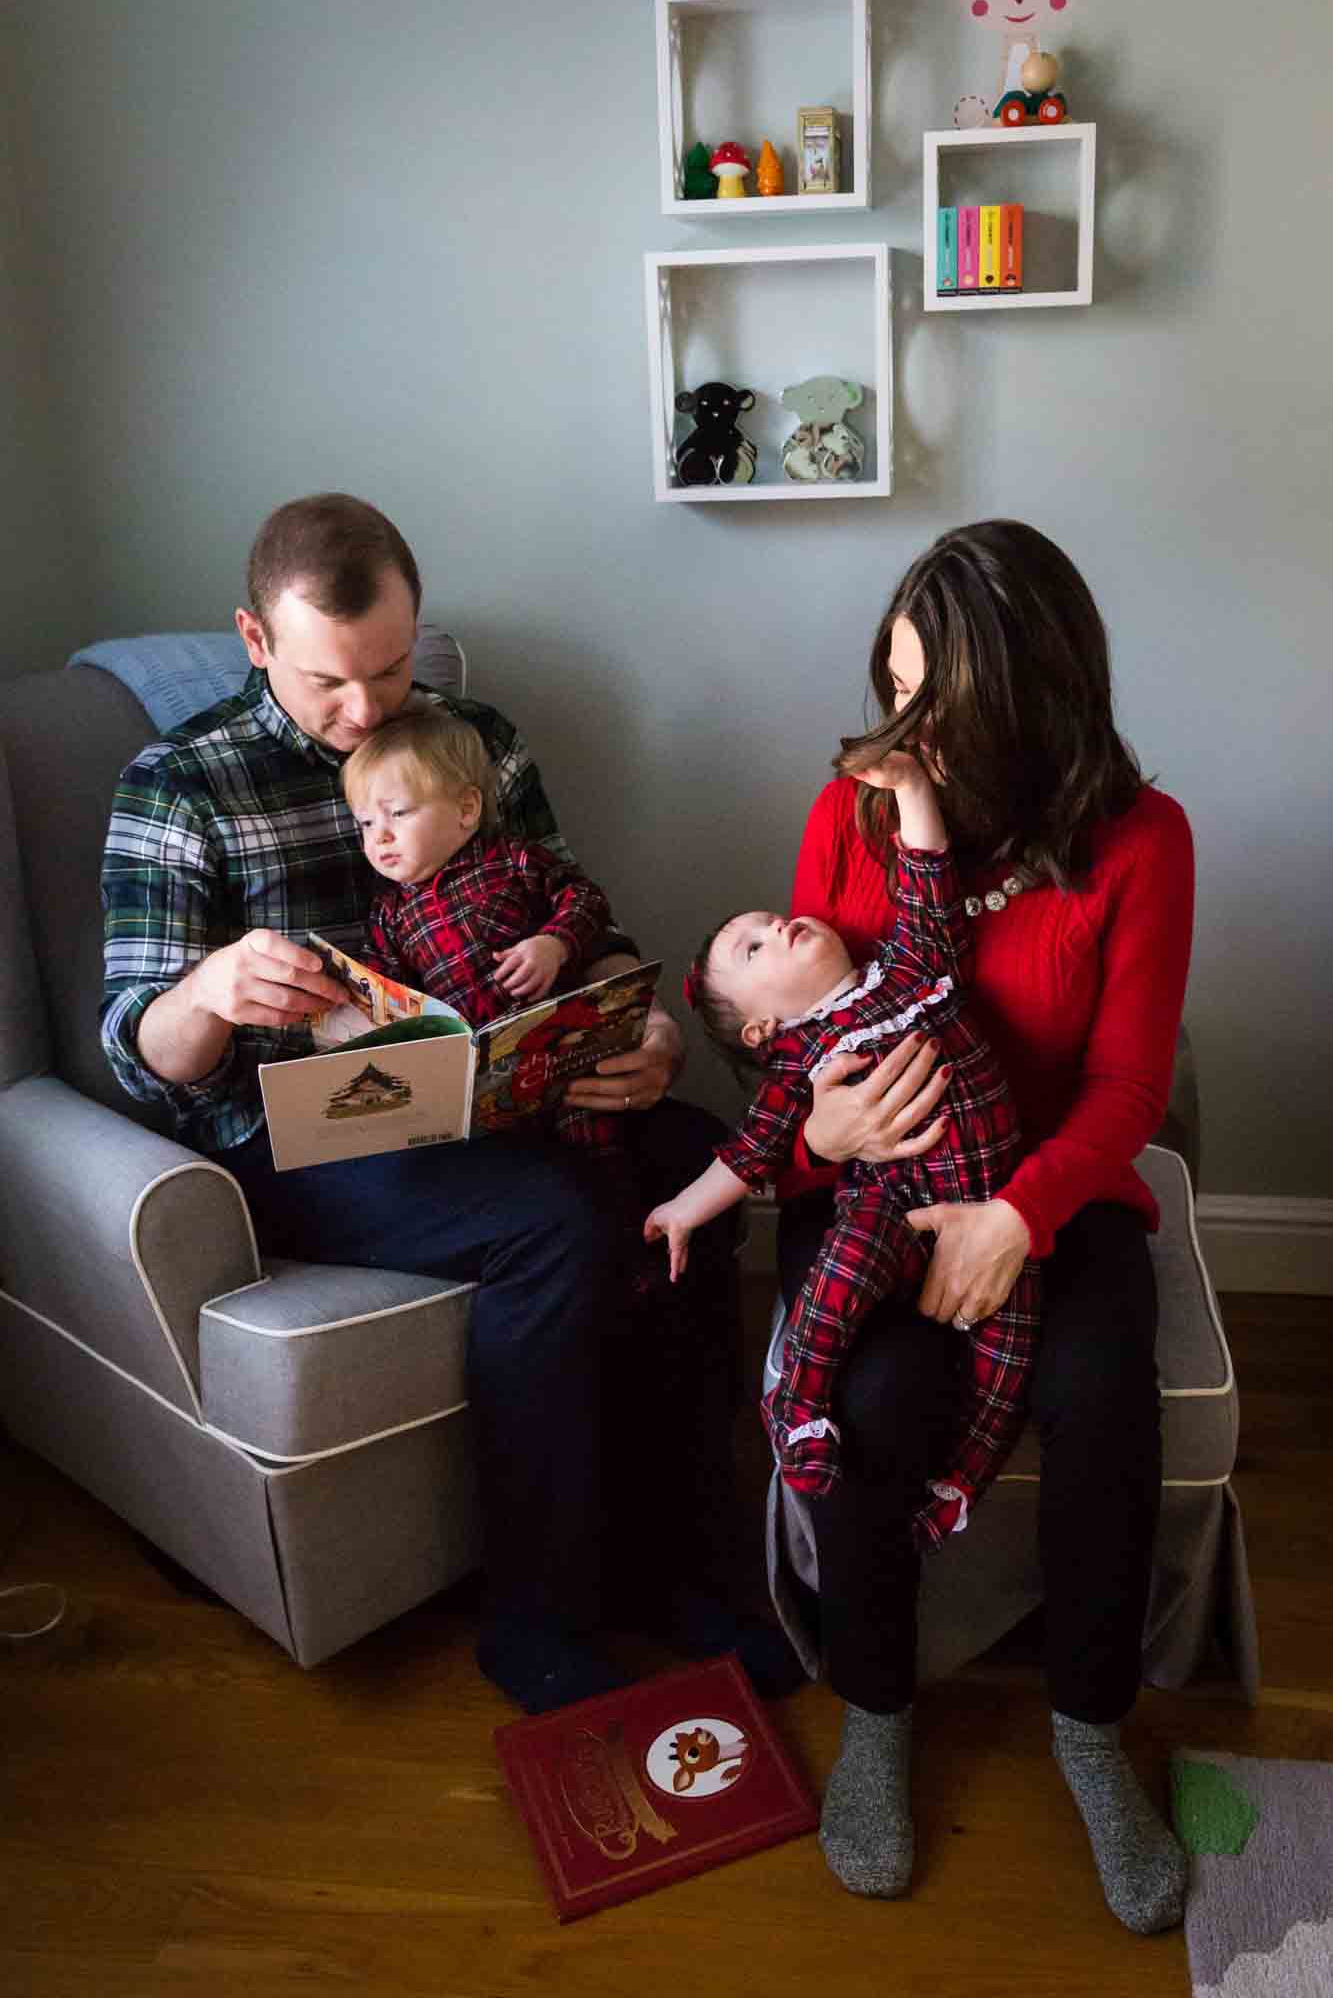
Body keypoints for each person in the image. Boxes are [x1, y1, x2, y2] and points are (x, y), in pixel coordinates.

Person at [100, 491, 800, 1713]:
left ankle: (683, 1565)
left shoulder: (474, 741)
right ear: (255, 640)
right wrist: (212, 986)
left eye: (391, 664)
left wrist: (640, 1027)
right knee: (556, 1220)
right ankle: (536, 1614)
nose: (368, 708)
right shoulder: (181, 783)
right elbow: (136, 1047)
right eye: (330, 681)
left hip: (503, 1091)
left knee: (695, 1157)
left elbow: (582, 925)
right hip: (306, 1139)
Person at [778, 519, 1192, 1933]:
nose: (905, 732)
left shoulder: (1140, 841)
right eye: (895, 687)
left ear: (1035, 701)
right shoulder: (853, 807)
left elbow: (1132, 1082)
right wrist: (821, 1132)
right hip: (871, 1193)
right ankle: (876, 1716)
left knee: (1099, 1396)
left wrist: (1016, 1216)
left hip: (1051, 1192)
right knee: (872, 1396)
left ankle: (1090, 1728)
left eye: (937, 704)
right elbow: (802, 1026)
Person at [643, 748, 1039, 1552]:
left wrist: (915, 790)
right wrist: (684, 1210)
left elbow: (924, 875)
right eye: (752, 949)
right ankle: (799, 1408)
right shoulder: (801, 1063)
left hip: (996, 1196)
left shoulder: (911, 967)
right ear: (761, 1030)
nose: (775, 925)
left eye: (767, 919)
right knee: (839, 1274)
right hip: (890, 1201)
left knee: (1009, 1352)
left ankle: (958, 1482)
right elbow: (751, 1153)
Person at [342, 705, 621, 1153]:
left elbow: (588, 901)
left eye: (397, 813)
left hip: (559, 1054)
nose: (380, 837)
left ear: (466, 809)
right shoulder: (389, 915)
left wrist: (555, 945)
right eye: (367, 824)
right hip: (473, 1085)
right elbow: (383, 990)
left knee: (596, 1145)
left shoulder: (512, 861)